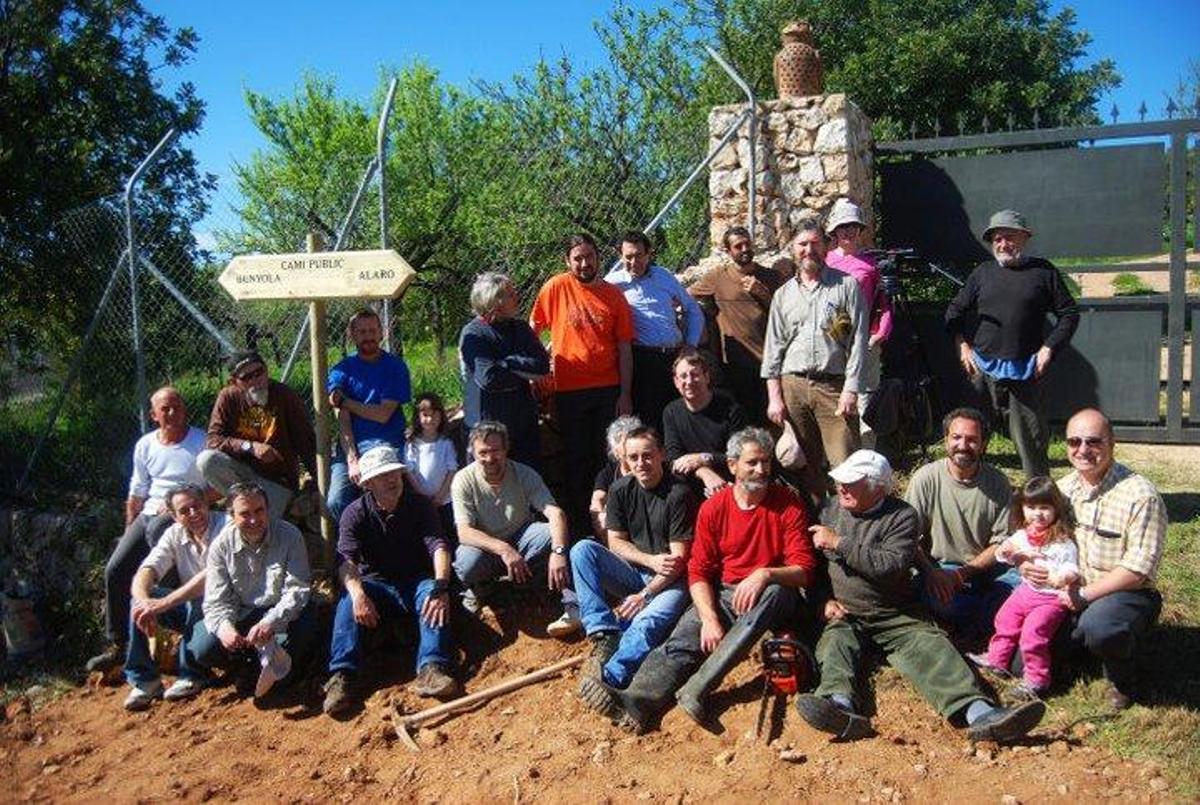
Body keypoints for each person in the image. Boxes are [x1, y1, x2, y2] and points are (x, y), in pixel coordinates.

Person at [795, 450, 1046, 744]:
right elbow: (813, 568)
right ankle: (839, 706)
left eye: (851, 482)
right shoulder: (830, 510)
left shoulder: (901, 516)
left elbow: (889, 567)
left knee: (932, 646)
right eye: (839, 482)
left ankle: (981, 713)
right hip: (846, 612)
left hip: (894, 613)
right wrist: (823, 600)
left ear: (877, 486)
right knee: (835, 644)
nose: (841, 488)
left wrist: (839, 542)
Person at [583, 428, 817, 733]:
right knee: (682, 638)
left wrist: (764, 573)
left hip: (773, 595)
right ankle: (637, 701)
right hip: (726, 592)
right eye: (752, 463)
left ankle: (698, 688)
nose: (761, 470)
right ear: (732, 466)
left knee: (775, 592)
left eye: (765, 462)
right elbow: (699, 571)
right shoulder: (713, 508)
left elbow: (804, 570)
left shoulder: (788, 503)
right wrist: (708, 618)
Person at [322, 446, 462, 717]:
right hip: (377, 585)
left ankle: (431, 668)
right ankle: (341, 678)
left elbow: (439, 546)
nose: (391, 480)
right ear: (369, 483)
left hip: (416, 580)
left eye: (394, 473)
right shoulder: (354, 513)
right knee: (346, 604)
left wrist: (441, 585)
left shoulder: (420, 505)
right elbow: (346, 561)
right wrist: (358, 594)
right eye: (383, 476)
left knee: (431, 596)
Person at [945, 209, 1079, 479]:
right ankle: (968, 488)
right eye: (997, 239)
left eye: (1009, 237)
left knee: (1031, 440)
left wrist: (1048, 349)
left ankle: (1039, 499)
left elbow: (1069, 314)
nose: (1003, 244)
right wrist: (963, 346)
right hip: (982, 369)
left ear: (1024, 238)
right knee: (971, 435)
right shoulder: (982, 273)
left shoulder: (1043, 272)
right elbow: (954, 313)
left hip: (1027, 370)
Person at [1050, 408, 1166, 710]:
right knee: (1020, 661)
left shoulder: (1140, 495)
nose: (1083, 450)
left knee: (1101, 628)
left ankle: (1123, 676)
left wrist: (1085, 595)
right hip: (1072, 592)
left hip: (1124, 594)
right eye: (1074, 441)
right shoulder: (1061, 491)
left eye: (1093, 442)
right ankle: (1083, 651)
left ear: (1112, 444)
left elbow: (1138, 570)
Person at [87, 386, 207, 674]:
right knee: (115, 569)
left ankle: (172, 615)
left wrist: (181, 507)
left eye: (176, 406)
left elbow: (215, 488)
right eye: (164, 409)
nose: (172, 413)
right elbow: (137, 491)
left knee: (158, 531)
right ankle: (118, 645)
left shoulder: (201, 441)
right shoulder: (145, 445)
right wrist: (129, 529)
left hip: (186, 511)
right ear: (154, 415)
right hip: (149, 514)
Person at [573, 427, 697, 697]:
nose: (641, 464)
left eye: (647, 456)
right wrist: (648, 560)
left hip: (672, 581)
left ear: (661, 454)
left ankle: (611, 676)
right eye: (634, 457)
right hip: (638, 571)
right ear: (625, 460)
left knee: (648, 621)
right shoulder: (619, 489)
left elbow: (679, 560)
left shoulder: (679, 494)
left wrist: (645, 594)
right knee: (583, 550)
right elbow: (615, 542)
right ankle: (603, 633)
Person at [531, 233, 634, 531]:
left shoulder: (613, 295)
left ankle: (613, 523)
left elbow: (625, 347)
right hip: (569, 390)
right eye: (577, 258)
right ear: (567, 261)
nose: (584, 263)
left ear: (598, 258)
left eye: (589, 256)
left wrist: (625, 393)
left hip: (608, 388)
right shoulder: (556, 287)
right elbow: (533, 330)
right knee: (576, 459)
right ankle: (579, 525)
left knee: (610, 457)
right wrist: (536, 372)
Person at [763, 221, 868, 500]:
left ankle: (849, 531)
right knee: (804, 467)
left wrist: (851, 388)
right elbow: (773, 349)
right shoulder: (783, 295)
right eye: (802, 244)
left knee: (846, 463)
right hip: (793, 387)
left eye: (815, 243)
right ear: (793, 249)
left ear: (826, 246)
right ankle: (814, 529)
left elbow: (858, 341)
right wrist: (775, 397)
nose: (809, 250)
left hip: (833, 388)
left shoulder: (846, 286)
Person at [451, 421, 580, 637]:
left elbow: (555, 513)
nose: (490, 458)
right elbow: (464, 532)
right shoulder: (463, 480)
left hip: (522, 536)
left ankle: (556, 590)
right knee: (466, 562)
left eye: (496, 451)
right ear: (472, 451)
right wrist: (503, 549)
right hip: (487, 548)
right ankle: (482, 588)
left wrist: (559, 553)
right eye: (483, 452)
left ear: (506, 448)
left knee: (551, 534)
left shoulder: (523, 473)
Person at [192, 482, 317, 698]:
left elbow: (297, 589)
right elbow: (216, 600)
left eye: (259, 511)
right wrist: (225, 629)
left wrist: (271, 621)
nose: (253, 520)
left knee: (308, 624)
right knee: (203, 645)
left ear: (268, 510)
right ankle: (248, 668)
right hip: (244, 612)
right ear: (231, 515)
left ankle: (283, 671)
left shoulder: (290, 535)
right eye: (244, 514)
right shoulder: (221, 546)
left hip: (281, 612)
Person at [904, 408, 1017, 640]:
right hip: (940, 569)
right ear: (946, 439)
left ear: (984, 444)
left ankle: (978, 622)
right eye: (956, 437)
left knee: (1024, 586)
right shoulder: (925, 479)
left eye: (972, 439)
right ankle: (996, 621)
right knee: (941, 600)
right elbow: (908, 539)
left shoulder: (997, 482)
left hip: (985, 569)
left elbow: (1002, 542)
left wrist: (964, 574)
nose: (963, 445)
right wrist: (932, 573)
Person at [967, 477, 1079, 698]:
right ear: (1022, 509)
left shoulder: (1062, 542)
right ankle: (997, 659)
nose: (1037, 514)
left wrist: (1061, 577)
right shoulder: (1024, 534)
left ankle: (1037, 679)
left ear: (1056, 509)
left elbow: (1072, 568)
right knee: (1004, 619)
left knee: (1033, 634)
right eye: (1031, 507)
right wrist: (1010, 552)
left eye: (1044, 508)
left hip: (1049, 599)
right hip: (1025, 592)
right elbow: (1002, 553)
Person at [122, 485, 225, 710]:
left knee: (202, 610)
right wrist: (144, 602)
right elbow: (146, 570)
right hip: (191, 605)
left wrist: (163, 604)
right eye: (184, 510)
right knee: (138, 602)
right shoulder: (174, 533)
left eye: (196, 506)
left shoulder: (226, 527)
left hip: (225, 606)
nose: (193, 514)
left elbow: (210, 578)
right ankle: (145, 680)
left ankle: (193, 674)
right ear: (174, 516)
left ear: (207, 504)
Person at [197, 351, 318, 521]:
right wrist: (250, 447)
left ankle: (275, 508)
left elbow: (306, 442)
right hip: (242, 475)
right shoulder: (228, 397)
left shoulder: (284, 395)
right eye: (247, 377)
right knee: (207, 460)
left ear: (267, 371)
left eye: (259, 372)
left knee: (263, 524)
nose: (255, 380)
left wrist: (319, 483)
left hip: (277, 482)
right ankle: (241, 504)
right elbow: (214, 439)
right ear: (234, 382)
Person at [605, 230, 704, 432]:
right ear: (620, 256)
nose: (634, 262)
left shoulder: (664, 276)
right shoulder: (613, 284)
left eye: (639, 255)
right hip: (643, 360)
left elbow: (692, 309)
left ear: (649, 253)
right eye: (629, 257)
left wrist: (691, 345)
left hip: (675, 357)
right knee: (650, 423)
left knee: (684, 418)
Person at [687, 226, 785, 424]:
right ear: (728, 251)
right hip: (736, 364)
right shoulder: (718, 277)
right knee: (745, 419)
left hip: (770, 362)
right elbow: (686, 295)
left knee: (774, 419)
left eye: (747, 243)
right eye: (738, 246)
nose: (744, 249)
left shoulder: (771, 277)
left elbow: (786, 314)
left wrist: (763, 293)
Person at [326, 308, 413, 524]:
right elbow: (340, 413)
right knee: (336, 500)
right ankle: (353, 546)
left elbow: (383, 414)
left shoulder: (395, 367)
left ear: (381, 333)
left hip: (388, 443)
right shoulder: (342, 370)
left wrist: (346, 402)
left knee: (389, 495)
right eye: (362, 331)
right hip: (353, 446)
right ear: (352, 335)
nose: (368, 336)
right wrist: (352, 459)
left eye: (372, 330)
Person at [459, 272, 551, 469]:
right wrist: (523, 370)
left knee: (529, 482)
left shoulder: (521, 328)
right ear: (495, 301)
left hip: (524, 426)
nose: (516, 297)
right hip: (487, 429)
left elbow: (542, 366)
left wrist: (506, 363)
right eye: (510, 294)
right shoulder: (474, 333)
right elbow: (488, 378)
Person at [824, 199, 893, 448]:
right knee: (834, 395)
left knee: (865, 399)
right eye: (843, 227)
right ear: (834, 231)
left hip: (865, 341)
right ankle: (838, 454)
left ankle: (866, 458)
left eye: (853, 226)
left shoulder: (871, 265)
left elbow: (884, 303)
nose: (849, 232)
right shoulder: (825, 262)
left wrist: (880, 334)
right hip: (832, 340)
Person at [662, 348, 748, 499]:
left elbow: (739, 455)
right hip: (693, 479)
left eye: (695, 375)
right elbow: (674, 458)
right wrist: (703, 472)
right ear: (676, 382)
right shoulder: (671, 412)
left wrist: (704, 458)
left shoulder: (731, 409)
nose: (689, 381)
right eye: (683, 376)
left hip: (727, 479)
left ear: (707, 377)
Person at [404, 392, 459, 539]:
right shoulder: (412, 444)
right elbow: (409, 471)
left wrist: (441, 496)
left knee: (448, 532)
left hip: (445, 499)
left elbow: (452, 470)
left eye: (434, 415)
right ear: (418, 417)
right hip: (422, 500)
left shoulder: (446, 442)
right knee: (427, 533)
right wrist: (422, 495)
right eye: (425, 415)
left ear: (441, 415)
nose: (430, 419)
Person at [590, 415, 643, 541]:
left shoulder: (644, 467)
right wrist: (600, 516)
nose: (626, 446)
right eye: (619, 441)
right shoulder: (608, 472)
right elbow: (597, 499)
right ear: (614, 451)